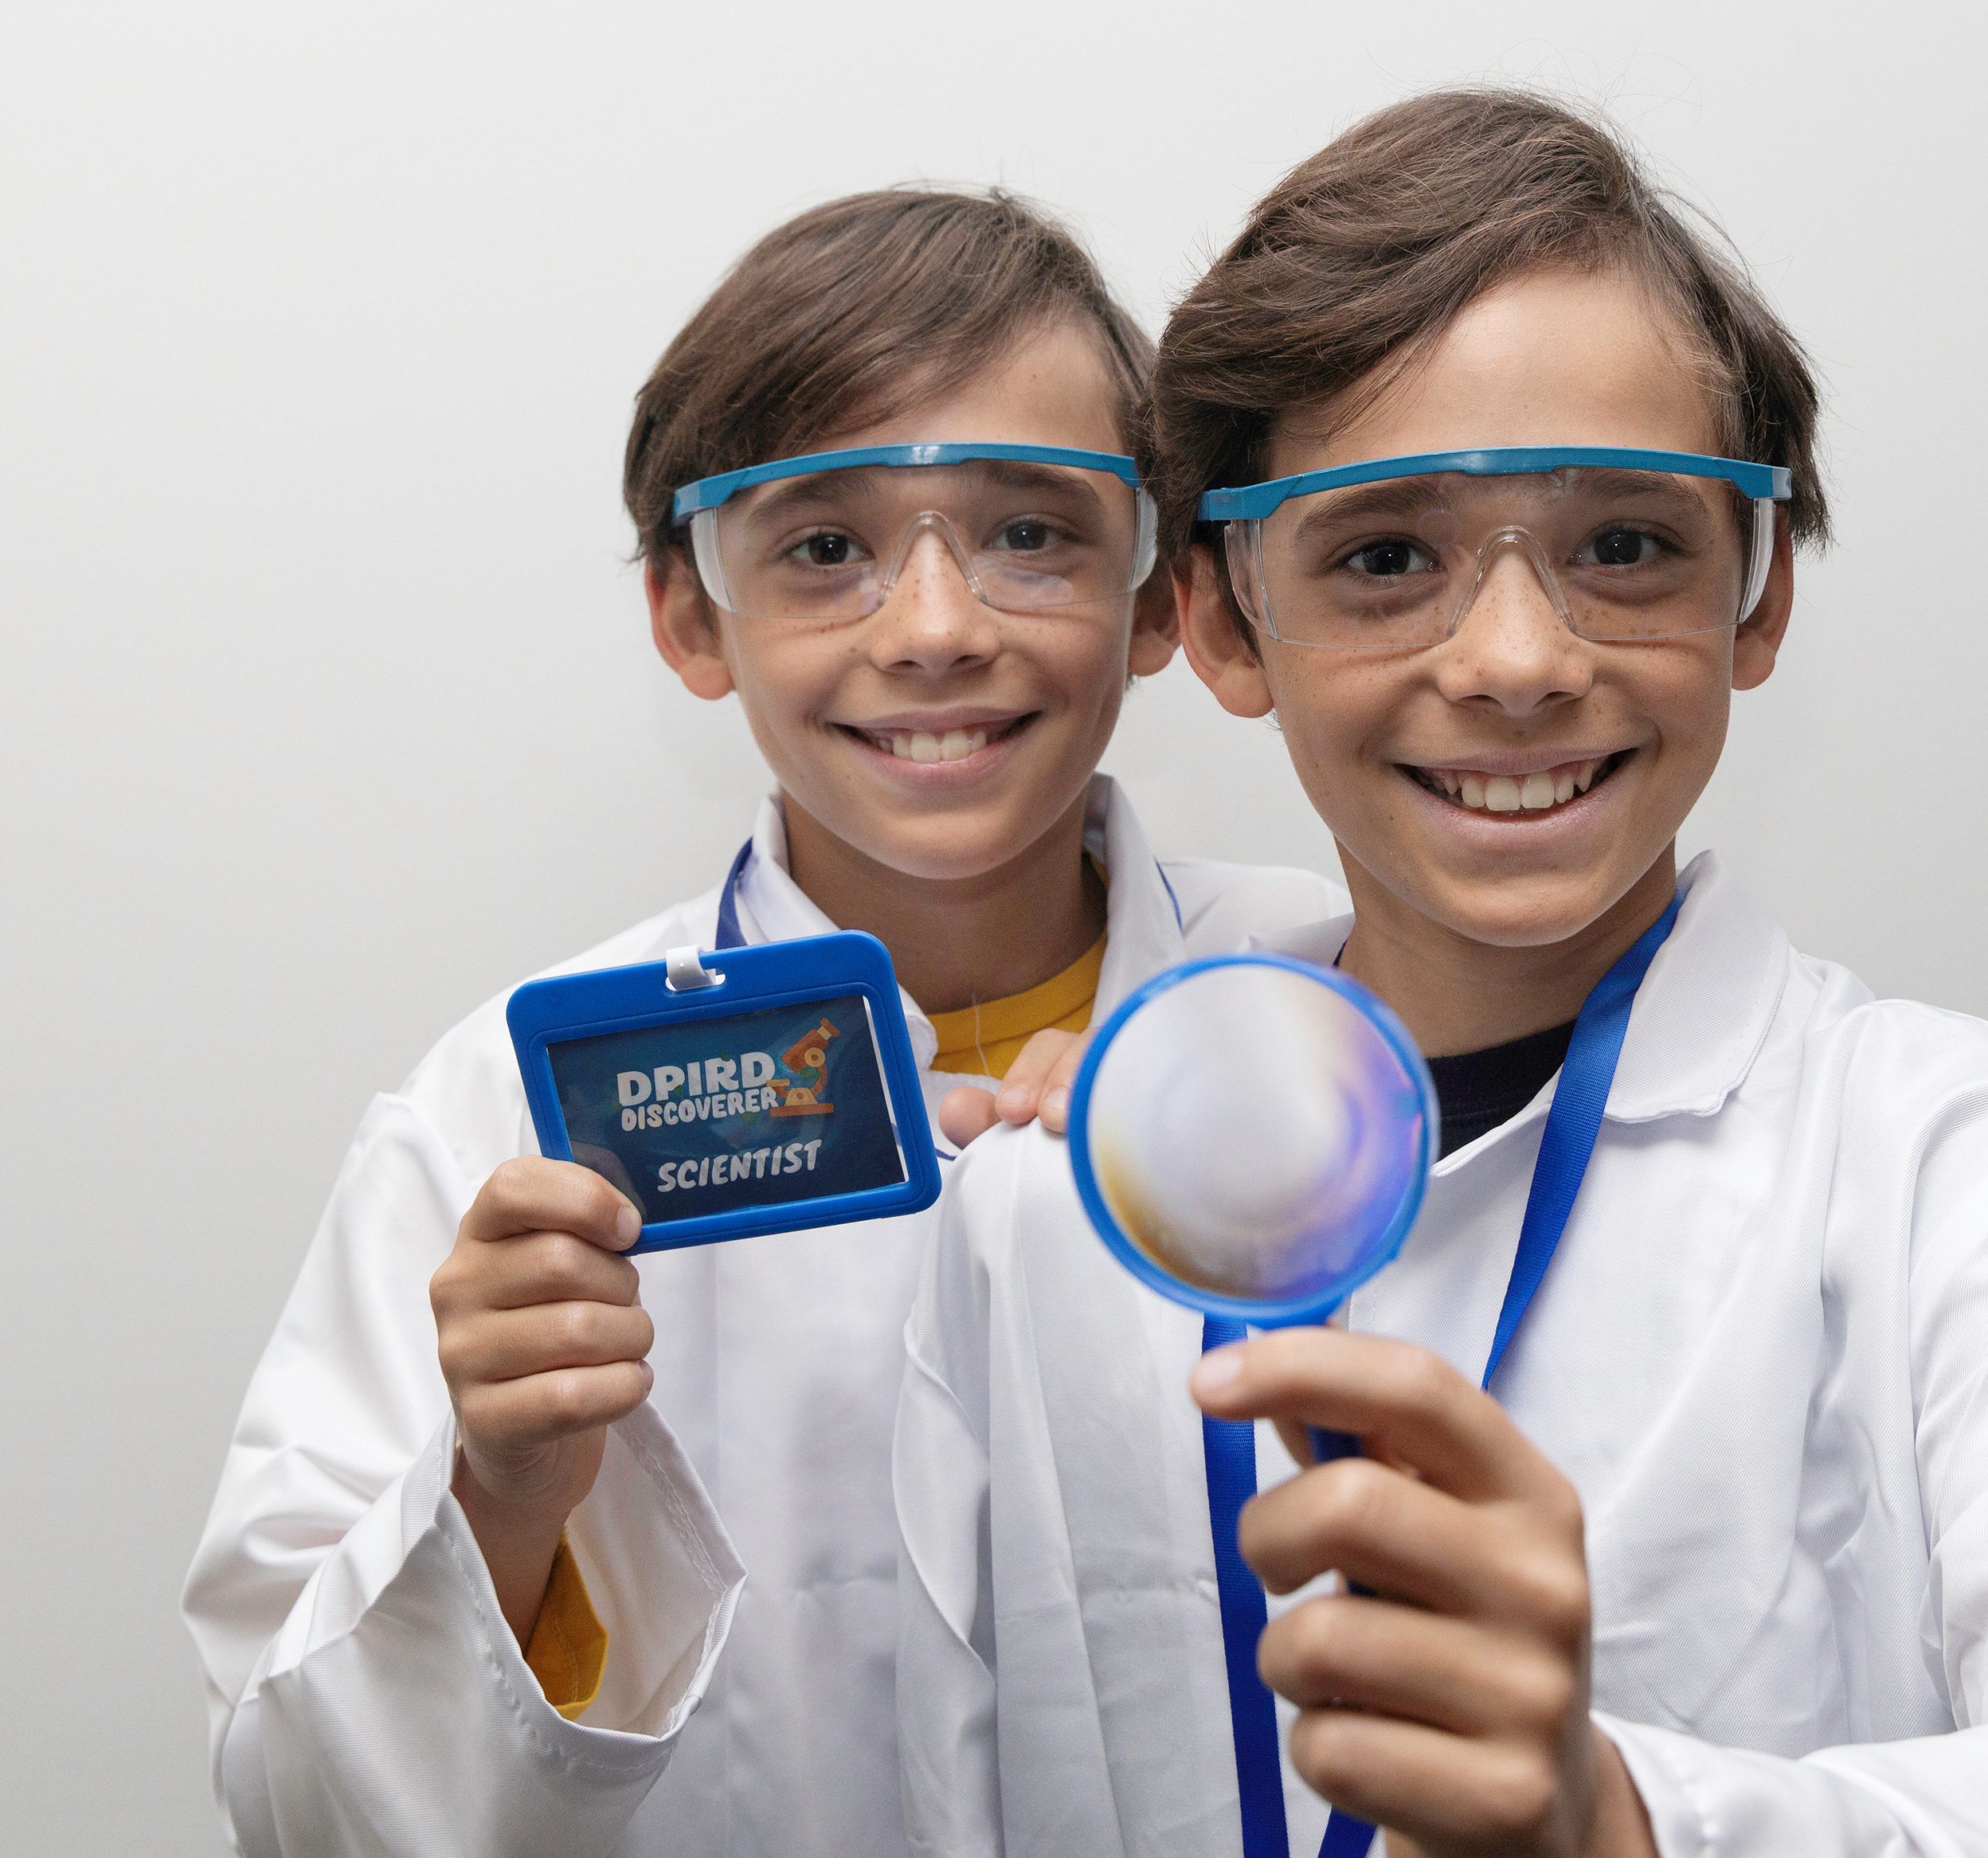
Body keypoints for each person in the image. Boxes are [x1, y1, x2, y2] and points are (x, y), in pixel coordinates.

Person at [895, 91, 1988, 1858]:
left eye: (1625, 548)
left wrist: (1623, 1823)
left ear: (1755, 601)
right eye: (1383, 558)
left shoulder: (1949, 1160)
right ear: (1218, 622)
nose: (1518, 660)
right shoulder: (1068, 1185)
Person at [182, 188, 1343, 1857]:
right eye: (821, 547)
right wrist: (505, 1501)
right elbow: (298, 1805)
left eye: (1033, 530)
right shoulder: (507, 1118)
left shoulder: (1329, 1022)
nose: (936, 627)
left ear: (1161, 597)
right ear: (687, 617)